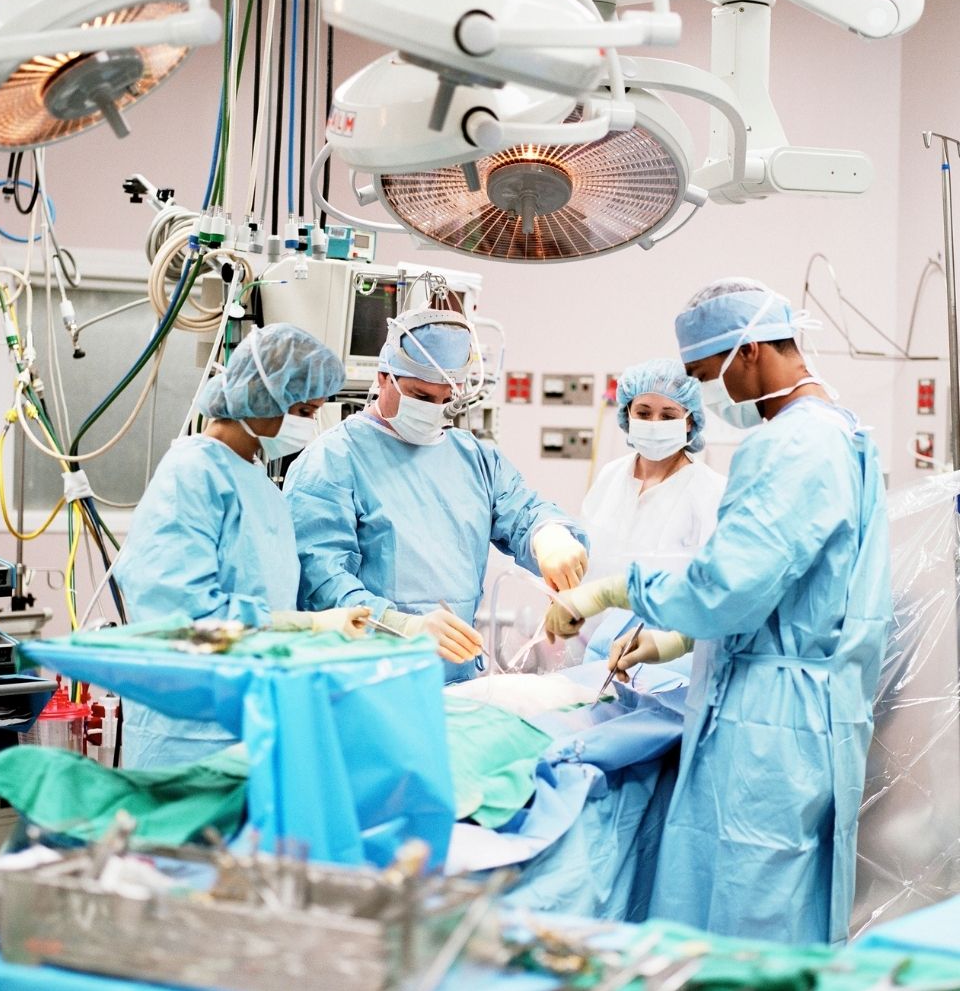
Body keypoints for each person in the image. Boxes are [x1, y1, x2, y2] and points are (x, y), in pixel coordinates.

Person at [544, 279, 891, 946]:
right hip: (813, 704)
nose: (713, 396)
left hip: (771, 723)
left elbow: (726, 586)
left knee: (747, 912)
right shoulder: (843, 433)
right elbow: (788, 580)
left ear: (750, 352)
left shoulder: (791, 444)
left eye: (708, 376)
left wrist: (618, 592)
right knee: (788, 902)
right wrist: (677, 641)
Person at [284, 307, 590, 682]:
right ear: (384, 378)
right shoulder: (332, 461)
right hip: (365, 681)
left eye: (445, 399)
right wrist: (400, 627)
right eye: (420, 396)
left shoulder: (472, 456)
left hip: (455, 678)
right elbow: (322, 583)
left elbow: (523, 510)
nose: (433, 409)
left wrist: (549, 537)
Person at [114, 324, 371, 769]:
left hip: (252, 721)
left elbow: (265, 598)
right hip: (188, 735)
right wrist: (304, 628)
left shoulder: (260, 484)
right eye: (305, 410)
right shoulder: (192, 476)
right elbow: (179, 618)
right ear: (262, 397)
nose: (308, 425)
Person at [576, 358, 726, 668]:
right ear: (627, 414)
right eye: (643, 413)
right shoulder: (610, 476)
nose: (654, 423)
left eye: (668, 414)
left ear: (689, 421)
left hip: (668, 662)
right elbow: (586, 559)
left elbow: (715, 593)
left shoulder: (711, 492)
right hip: (591, 652)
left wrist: (671, 644)